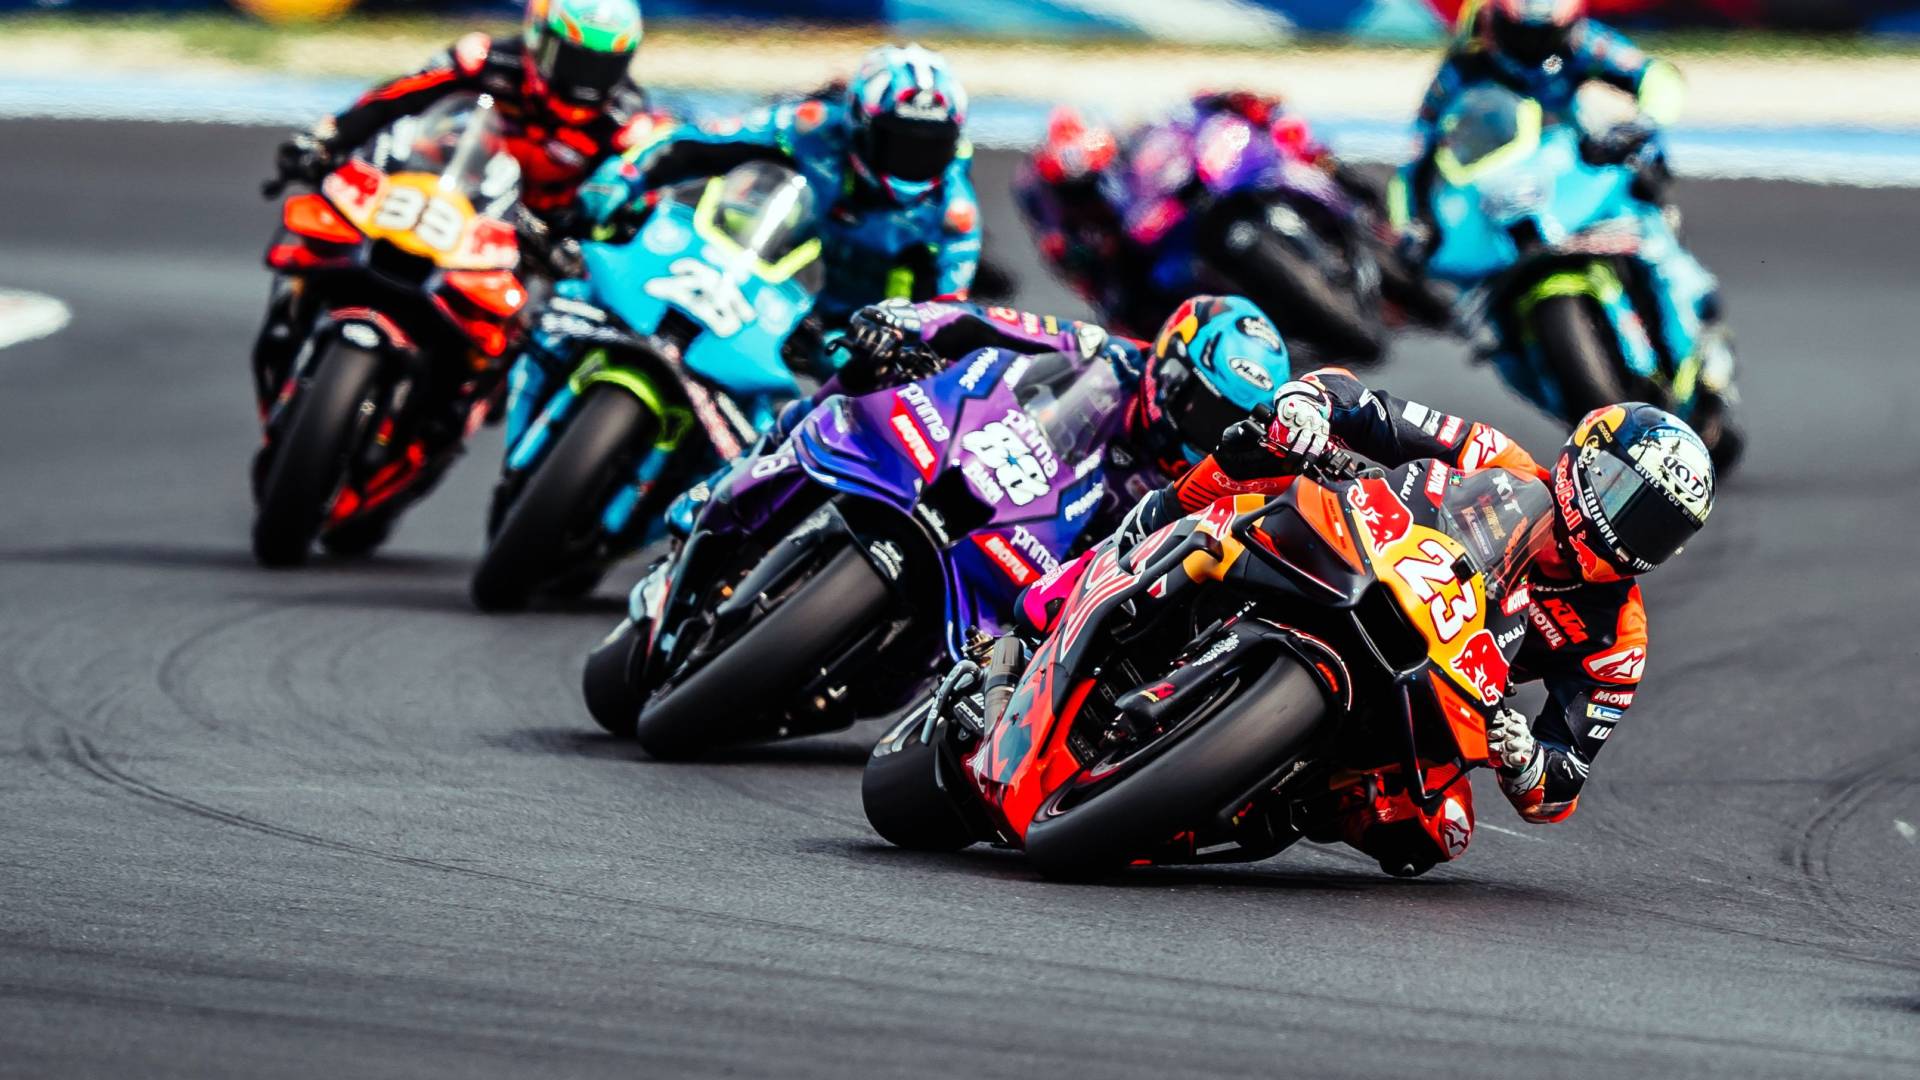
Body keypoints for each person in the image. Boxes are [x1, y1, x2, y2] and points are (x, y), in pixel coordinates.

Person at [1015, 367, 1715, 874]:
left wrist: (1525, 758)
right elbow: (1369, 407)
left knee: (1438, 831)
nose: (1630, 529)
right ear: (1586, 459)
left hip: (1439, 679)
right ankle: (1092, 572)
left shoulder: (1617, 635)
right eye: (1626, 497)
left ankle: (1258, 793)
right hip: (1364, 560)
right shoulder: (1492, 457)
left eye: (1656, 527)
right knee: (1256, 459)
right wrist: (1308, 405)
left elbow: (1564, 779)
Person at [253, 0, 661, 417]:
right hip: (436, 197)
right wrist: (327, 139)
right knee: (320, 238)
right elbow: (394, 99)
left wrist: (582, 243)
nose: (585, 80)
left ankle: (449, 410)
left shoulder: (629, 125)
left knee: (511, 352)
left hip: (522, 244)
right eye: (574, 61)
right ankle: (296, 312)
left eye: (603, 67)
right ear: (539, 39)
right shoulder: (483, 60)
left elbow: (633, 205)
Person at [663, 294, 1297, 542]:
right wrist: (908, 322)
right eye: (1198, 403)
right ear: (1169, 363)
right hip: (976, 461)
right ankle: (746, 471)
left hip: (1037, 570)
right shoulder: (1105, 354)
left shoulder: (1207, 483)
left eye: (1221, 421)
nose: (1200, 427)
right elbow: (993, 322)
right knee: (868, 369)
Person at [573, 43, 982, 337]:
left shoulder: (956, 214)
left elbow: (948, 316)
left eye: (931, 146)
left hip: (847, 333)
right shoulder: (810, 126)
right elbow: (695, 143)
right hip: (751, 282)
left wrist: (895, 344)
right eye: (899, 142)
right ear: (860, 124)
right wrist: (623, 176)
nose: (911, 160)